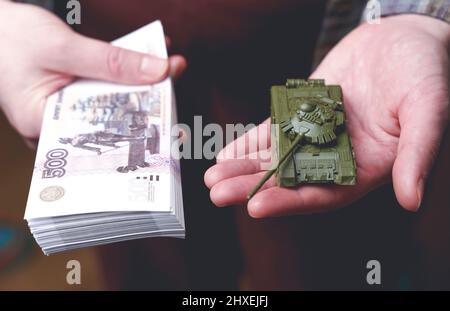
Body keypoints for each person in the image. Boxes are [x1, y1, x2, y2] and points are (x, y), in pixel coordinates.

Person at [0, 0, 449, 289]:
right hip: (108, 50)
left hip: (320, 50)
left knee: (311, 265)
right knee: (148, 261)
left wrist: (417, 15)